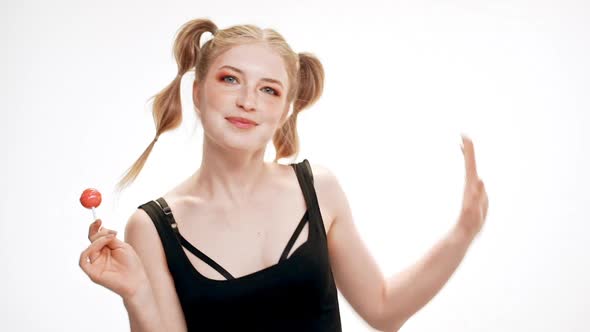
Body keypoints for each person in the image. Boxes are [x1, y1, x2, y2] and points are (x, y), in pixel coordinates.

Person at [78, 18, 489, 332]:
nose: (247, 101)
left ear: (287, 108)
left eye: (269, 89)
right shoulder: (150, 226)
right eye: (230, 79)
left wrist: (463, 232)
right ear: (198, 92)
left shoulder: (319, 189)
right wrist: (138, 295)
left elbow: (383, 310)